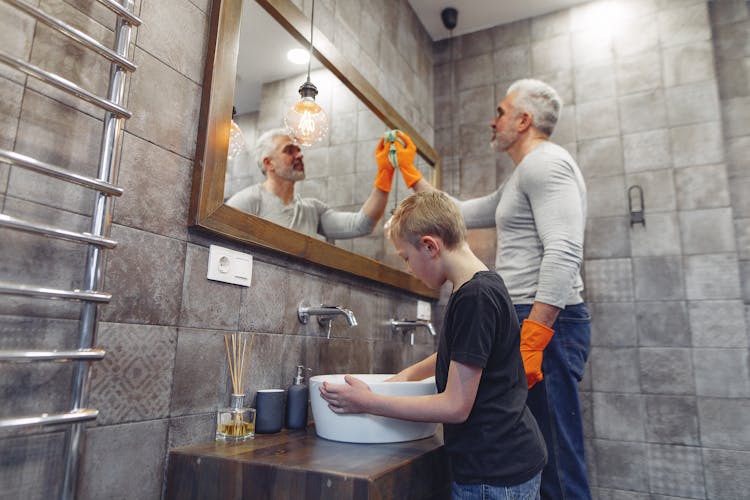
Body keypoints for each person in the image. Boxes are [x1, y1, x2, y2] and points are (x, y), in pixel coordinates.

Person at [392, 79, 591, 500]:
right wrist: (413, 177)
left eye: (500, 112)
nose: (492, 120)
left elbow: (564, 249)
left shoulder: (545, 164)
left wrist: (536, 335)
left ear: (524, 120)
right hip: (528, 318)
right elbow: (460, 213)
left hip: (545, 321)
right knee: (542, 459)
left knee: (556, 458)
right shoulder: (524, 175)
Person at [320, 190, 547, 499]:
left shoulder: (474, 297)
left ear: (430, 246)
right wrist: (405, 377)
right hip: (506, 459)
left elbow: (455, 406)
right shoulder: (482, 283)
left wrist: (367, 402)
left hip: (493, 474)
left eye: (406, 258)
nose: (409, 269)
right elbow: (464, 351)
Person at [226, 128, 397, 240]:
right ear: (269, 163)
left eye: (299, 150)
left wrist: (386, 173)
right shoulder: (247, 201)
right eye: (289, 150)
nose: (299, 155)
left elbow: (361, 225)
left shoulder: (313, 210)